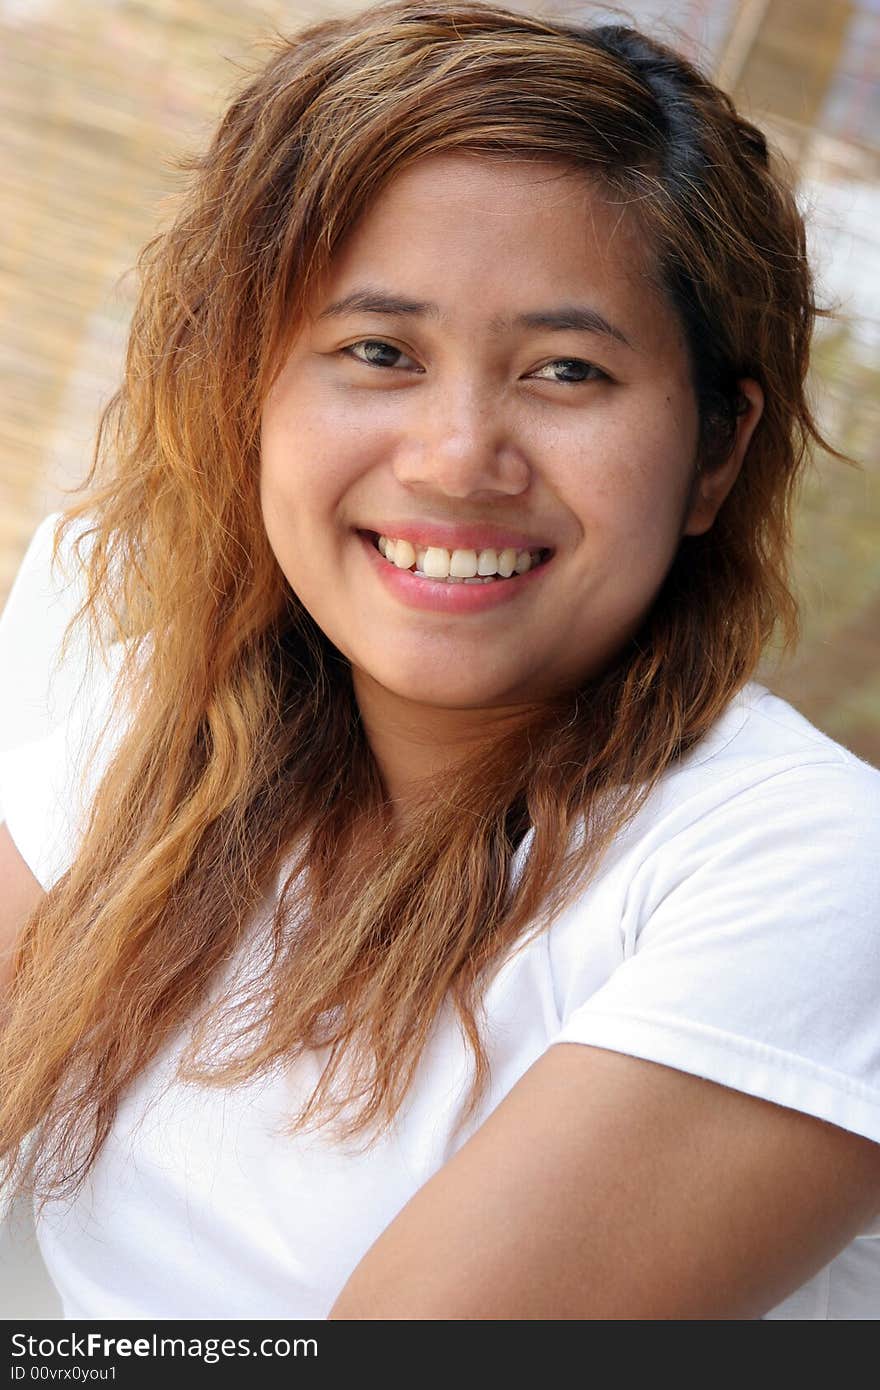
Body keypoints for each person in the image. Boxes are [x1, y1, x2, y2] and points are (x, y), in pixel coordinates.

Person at [1, 0, 878, 1322]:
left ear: (713, 449)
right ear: (244, 384)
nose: (460, 454)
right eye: (378, 351)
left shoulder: (810, 870)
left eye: (569, 371)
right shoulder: (115, 645)